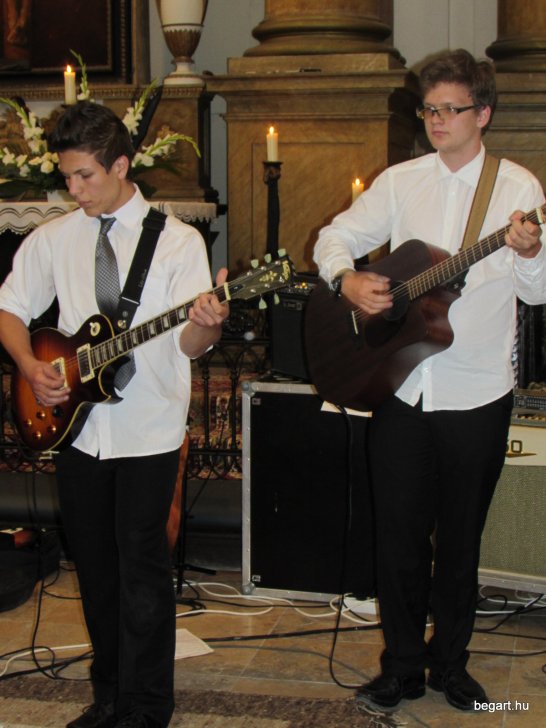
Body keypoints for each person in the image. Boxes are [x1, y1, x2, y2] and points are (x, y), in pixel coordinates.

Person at [313, 49, 546, 712]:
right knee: (399, 537)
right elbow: (333, 236)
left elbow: (538, 292)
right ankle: (402, 668)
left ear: (483, 113)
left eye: (451, 109)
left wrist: (531, 252)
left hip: (476, 392)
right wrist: (347, 279)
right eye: (429, 109)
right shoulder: (401, 180)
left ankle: (451, 665)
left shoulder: (518, 190)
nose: (437, 120)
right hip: (400, 387)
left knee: (461, 541)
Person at [0, 102, 229, 727]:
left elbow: (190, 345)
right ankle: (109, 698)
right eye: (67, 177)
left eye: (86, 177)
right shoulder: (55, 237)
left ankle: (147, 708)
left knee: (143, 572)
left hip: (148, 429)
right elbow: (10, 308)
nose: (74, 191)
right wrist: (30, 366)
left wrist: (208, 325)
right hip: (79, 431)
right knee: (97, 571)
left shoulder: (177, 242)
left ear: (121, 165)